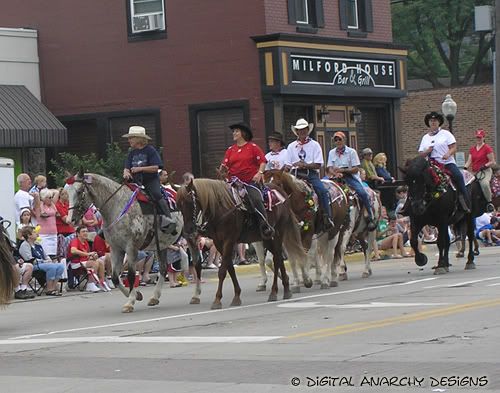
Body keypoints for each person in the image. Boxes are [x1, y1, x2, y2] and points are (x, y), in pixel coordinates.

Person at [220, 122, 274, 239]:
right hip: (233, 182)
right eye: (233, 131)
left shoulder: (253, 147)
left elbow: (262, 162)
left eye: (236, 131)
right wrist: (223, 170)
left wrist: (259, 173)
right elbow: (224, 165)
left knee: (255, 198)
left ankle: (264, 225)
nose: (234, 133)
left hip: (249, 181)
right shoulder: (230, 150)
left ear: (243, 133)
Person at [122, 125, 176, 234]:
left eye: (131, 138)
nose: (129, 140)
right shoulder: (131, 153)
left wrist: (140, 168)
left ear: (139, 139)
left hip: (150, 181)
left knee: (156, 194)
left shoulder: (150, 150)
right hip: (135, 182)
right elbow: (126, 167)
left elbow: (157, 167)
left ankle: (168, 220)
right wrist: (126, 172)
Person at [285, 118, 334, 229]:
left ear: (308, 130)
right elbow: (288, 164)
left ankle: (327, 217)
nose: (302, 131)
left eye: (304, 129)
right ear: (296, 132)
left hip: (310, 174)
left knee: (322, 190)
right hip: (294, 174)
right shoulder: (291, 146)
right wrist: (290, 167)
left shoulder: (315, 145)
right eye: (299, 129)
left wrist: (304, 165)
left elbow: (318, 164)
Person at [419, 111, 470, 212]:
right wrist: (427, 151)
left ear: (439, 122)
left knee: (458, 176)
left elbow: (454, 147)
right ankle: (418, 203)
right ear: (428, 123)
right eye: (431, 121)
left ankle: (465, 200)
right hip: (431, 165)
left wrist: (448, 153)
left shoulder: (446, 134)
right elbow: (421, 154)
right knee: (418, 179)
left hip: (446, 163)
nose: (433, 122)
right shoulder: (425, 137)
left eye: (435, 121)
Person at [327, 131, 377, 230]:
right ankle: (328, 217)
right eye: (335, 140)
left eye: (339, 139)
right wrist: (335, 173)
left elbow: (356, 168)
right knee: (325, 192)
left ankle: (370, 216)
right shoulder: (331, 152)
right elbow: (329, 168)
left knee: (362, 193)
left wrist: (343, 171)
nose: (337, 141)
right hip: (336, 176)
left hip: (349, 176)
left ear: (344, 140)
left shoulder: (351, 152)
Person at [18, 226, 65, 296]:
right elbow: (29, 259)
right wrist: (44, 261)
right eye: (34, 232)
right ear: (29, 235)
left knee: (60, 266)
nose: (36, 234)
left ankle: (53, 287)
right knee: (51, 267)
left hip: (43, 264)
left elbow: (45, 256)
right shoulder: (24, 245)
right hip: (32, 266)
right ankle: (49, 289)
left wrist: (48, 259)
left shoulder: (37, 244)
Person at [464, 128, 496, 212]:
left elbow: (492, 161)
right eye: (477, 137)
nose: (478, 139)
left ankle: (489, 203)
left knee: (484, 184)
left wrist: (485, 165)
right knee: (466, 184)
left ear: (483, 138)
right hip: (474, 171)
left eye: (480, 137)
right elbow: (469, 161)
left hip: (485, 171)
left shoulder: (487, 148)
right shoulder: (472, 149)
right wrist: (465, 168)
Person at [68, 226, 108, 292]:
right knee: (94, 263)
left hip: (85, 261)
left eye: (86, 231)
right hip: (75, 263)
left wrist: (92, 256)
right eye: (83, 231)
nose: (86, 233)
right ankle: (90, 284)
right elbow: (73, 250)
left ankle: (101, 282)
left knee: (100, 261)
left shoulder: (85, 242)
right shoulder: (75, 241)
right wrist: (88, 254)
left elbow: (87, 256)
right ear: (78, 234)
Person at [34, 188, 59, 257]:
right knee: (45, 254)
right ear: (44, 198)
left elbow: (56, 192)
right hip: (44, 234)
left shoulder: (52, 205)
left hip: (53, 233)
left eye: (51, 197)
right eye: (49, 197)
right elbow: (36, 199)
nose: (51, 199)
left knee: (53, 254)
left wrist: (49, 191)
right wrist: (39, 195)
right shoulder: (39, 207)